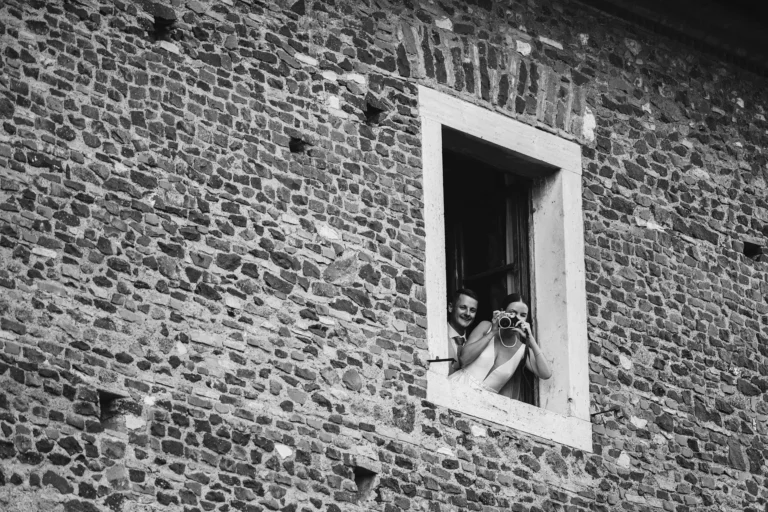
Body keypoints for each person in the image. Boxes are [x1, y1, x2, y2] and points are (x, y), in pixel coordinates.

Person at [448, 293, 551, 401]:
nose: (517, 318)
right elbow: (464, 359)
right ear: (502, 312)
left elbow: (546, 374)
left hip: (483, 405)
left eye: (523, 315)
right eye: (512, 313)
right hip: (456, 388)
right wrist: (492, 332)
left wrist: (531, 340)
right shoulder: (486, 327)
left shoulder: (522, 350)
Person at [446, 288, 479, 375]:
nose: (468, 313)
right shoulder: (437, 335)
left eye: (472, 310)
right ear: (450, 307)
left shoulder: (474, 344)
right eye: (463, 307)